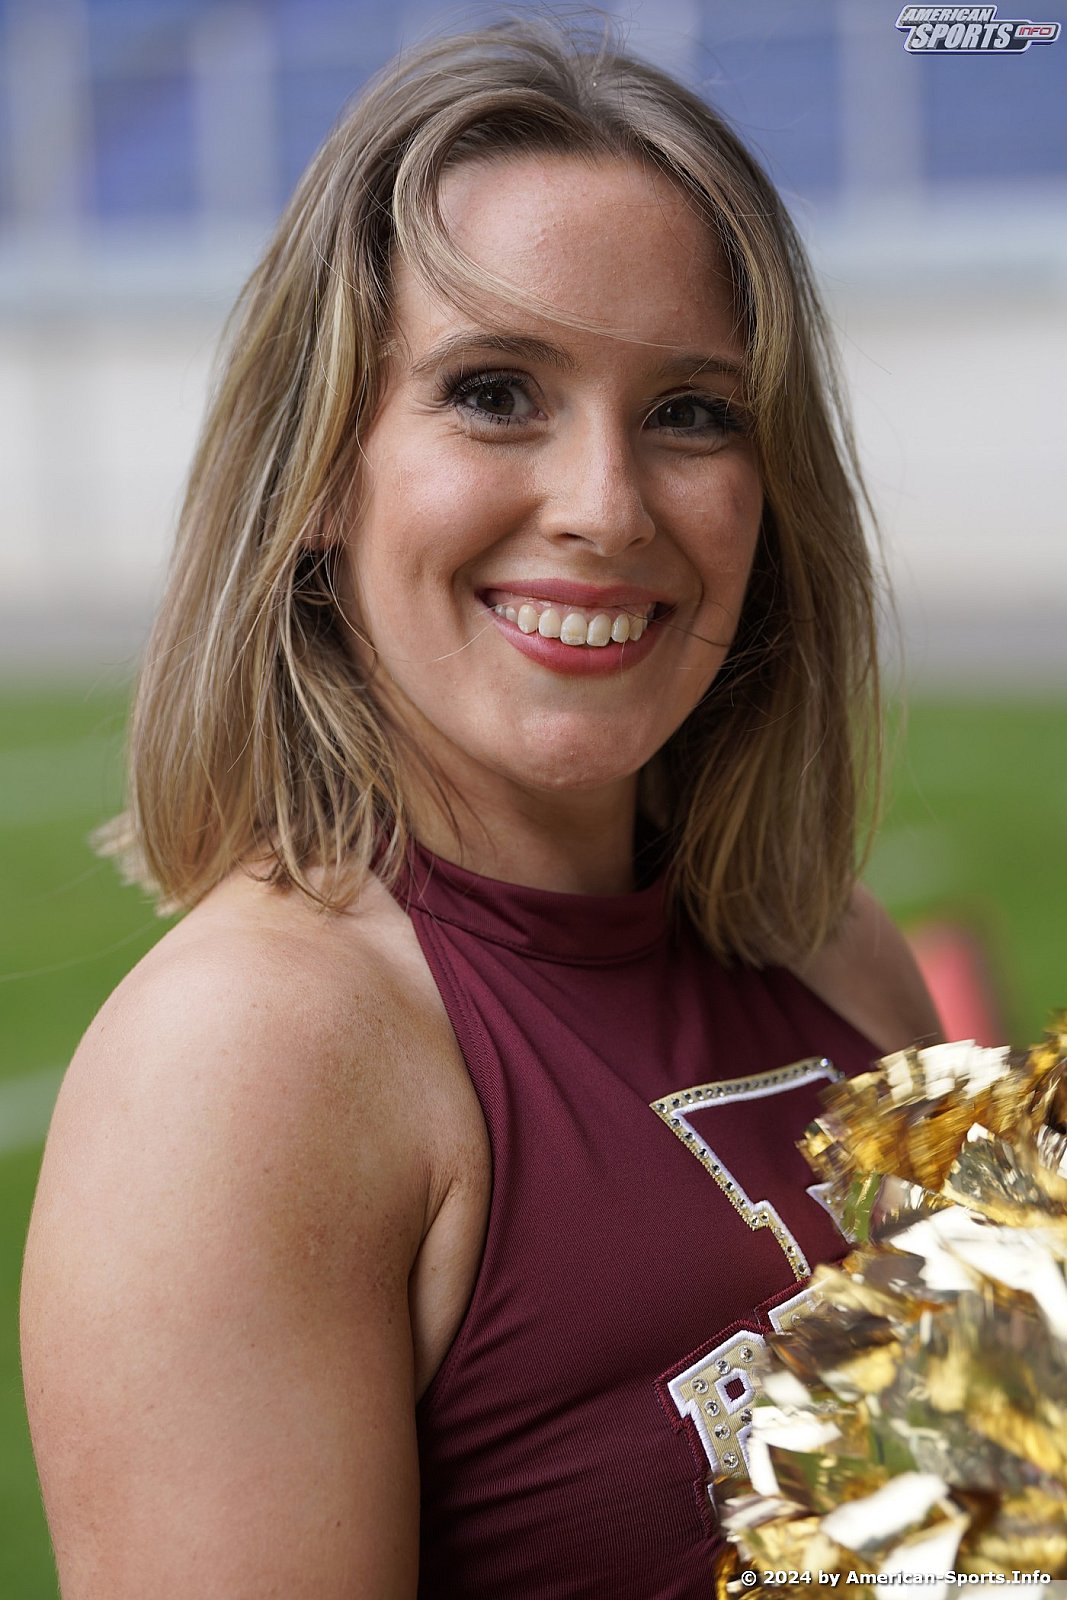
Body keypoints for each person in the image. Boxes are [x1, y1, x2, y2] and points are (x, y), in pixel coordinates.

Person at [20, 16, 941, 1598]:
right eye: (496, 392)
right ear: (322, 472)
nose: (605, 506)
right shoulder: (244, 1065)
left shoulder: (832, 946)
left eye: (692, 412)